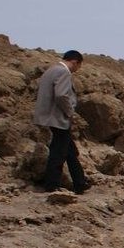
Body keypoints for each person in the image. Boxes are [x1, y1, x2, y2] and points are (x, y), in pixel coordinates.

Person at [33, 50, 89, 194]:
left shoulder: (50, 70)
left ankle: (80, 182)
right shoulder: (63, 72)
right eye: (78, 66)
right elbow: (61, 95)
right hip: (57, 118)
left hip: (48, 116)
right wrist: (70, 113)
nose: (76, 70)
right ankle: (52, 185)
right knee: (58, 152)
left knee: (70, 151)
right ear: (75, 62)